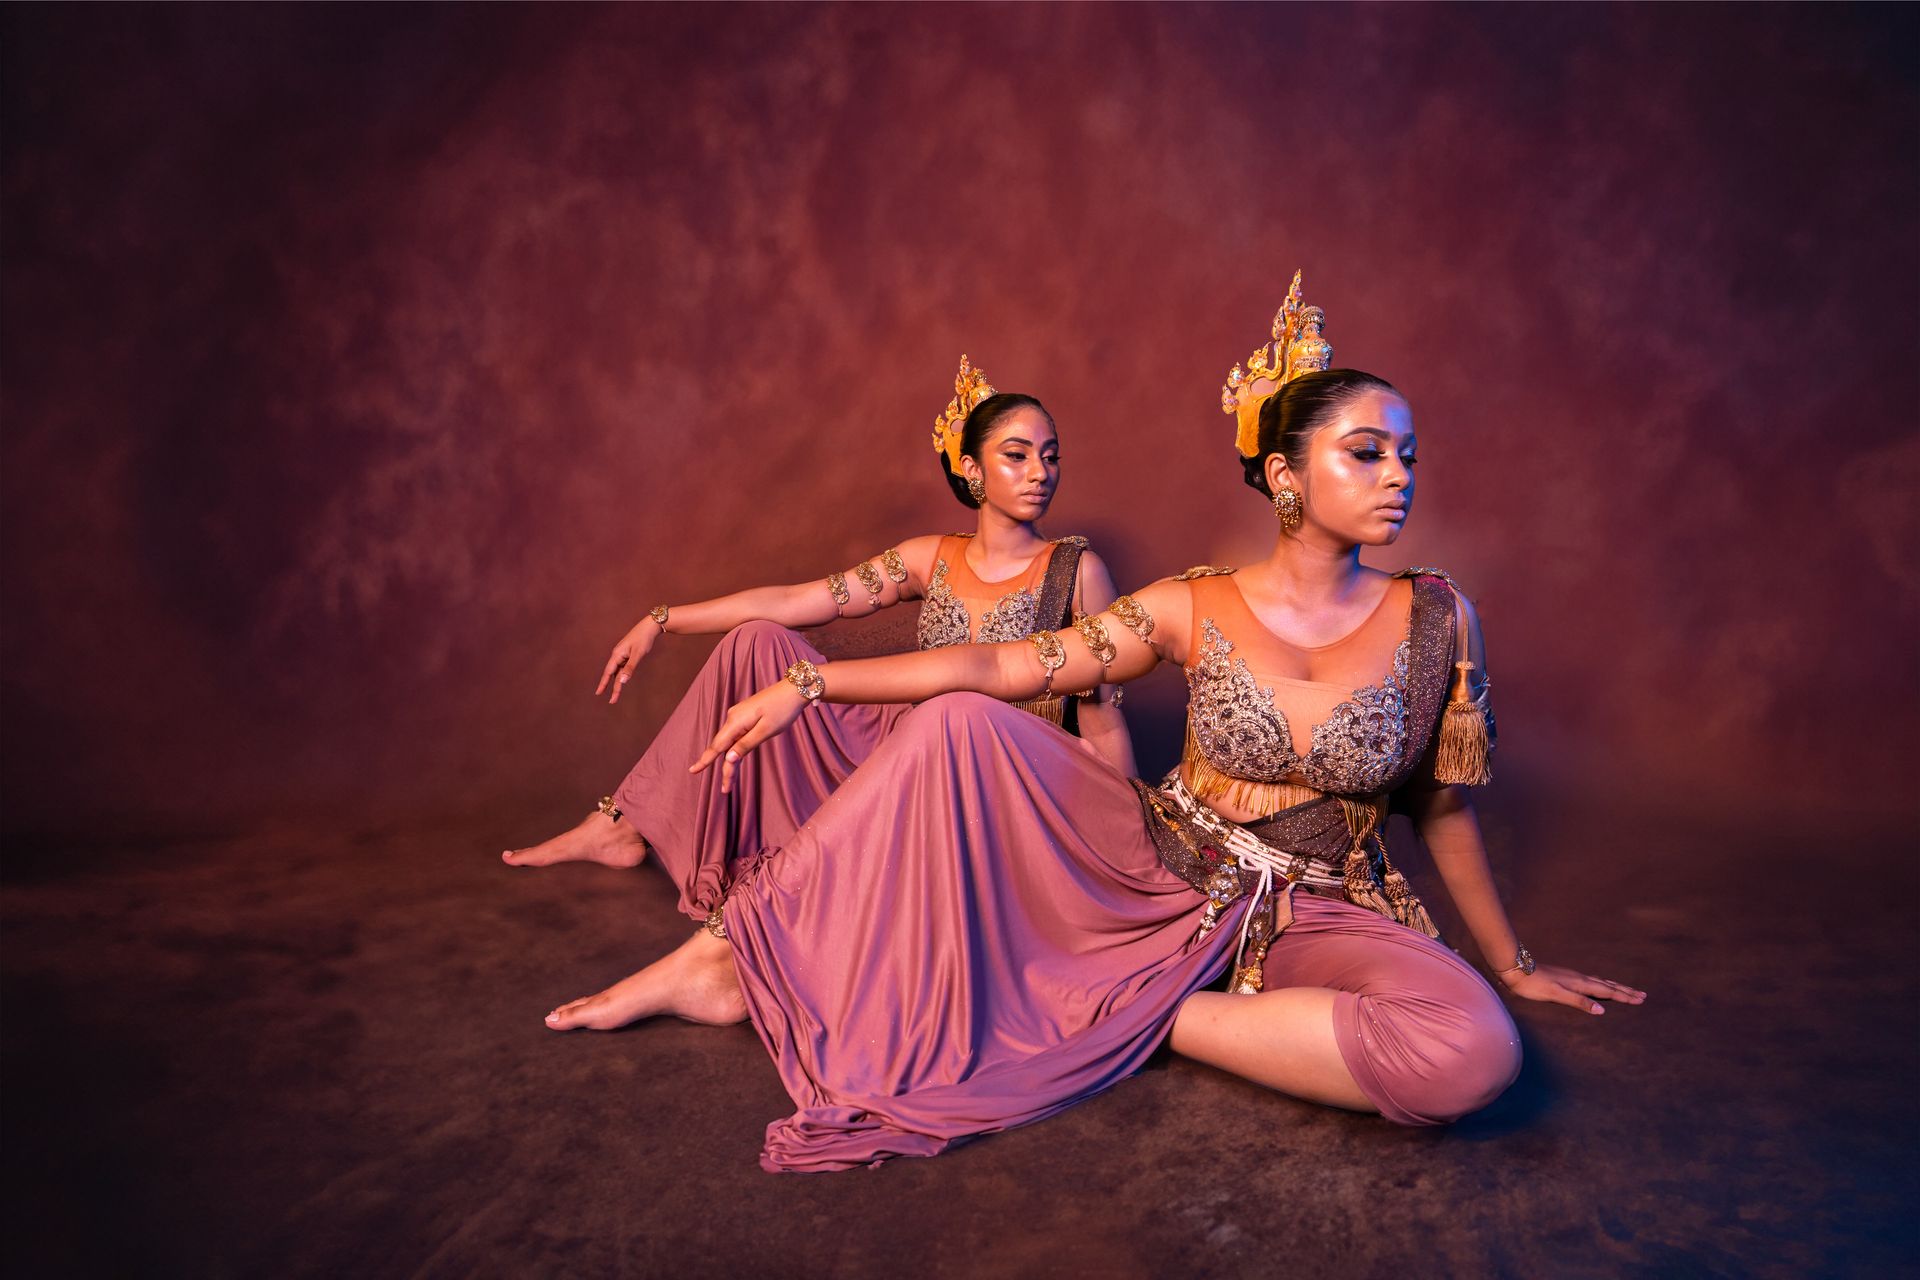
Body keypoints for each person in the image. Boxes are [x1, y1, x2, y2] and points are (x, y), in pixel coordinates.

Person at [548, 274, 1644, 1173]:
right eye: (1367, 451)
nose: (1398, 474)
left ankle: (1124, 1006)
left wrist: (1512, 961)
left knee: (1472, 1056)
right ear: (1286, 474)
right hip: (1158, 860)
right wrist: (813, 686)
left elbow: (1438, 803)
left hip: (1314, 903)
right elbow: (998, 661)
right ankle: (725, 952)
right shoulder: (1189, 602)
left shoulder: (1441, 616)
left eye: (1408, 452)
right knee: (963, 720)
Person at [502, 356, 1137, 931]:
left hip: (999, 773)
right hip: (904, 748)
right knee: (757, 641)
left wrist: (1123, 840)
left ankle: (769, 916)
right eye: (1017, 456)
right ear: (971, 469)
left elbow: (1102, 714)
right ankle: (625, 825)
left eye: (1050, 456)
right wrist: (664, 620)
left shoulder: (1078, 571)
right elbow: (797, 602)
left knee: (951, 713)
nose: (1040, 474)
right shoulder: (928, 559)